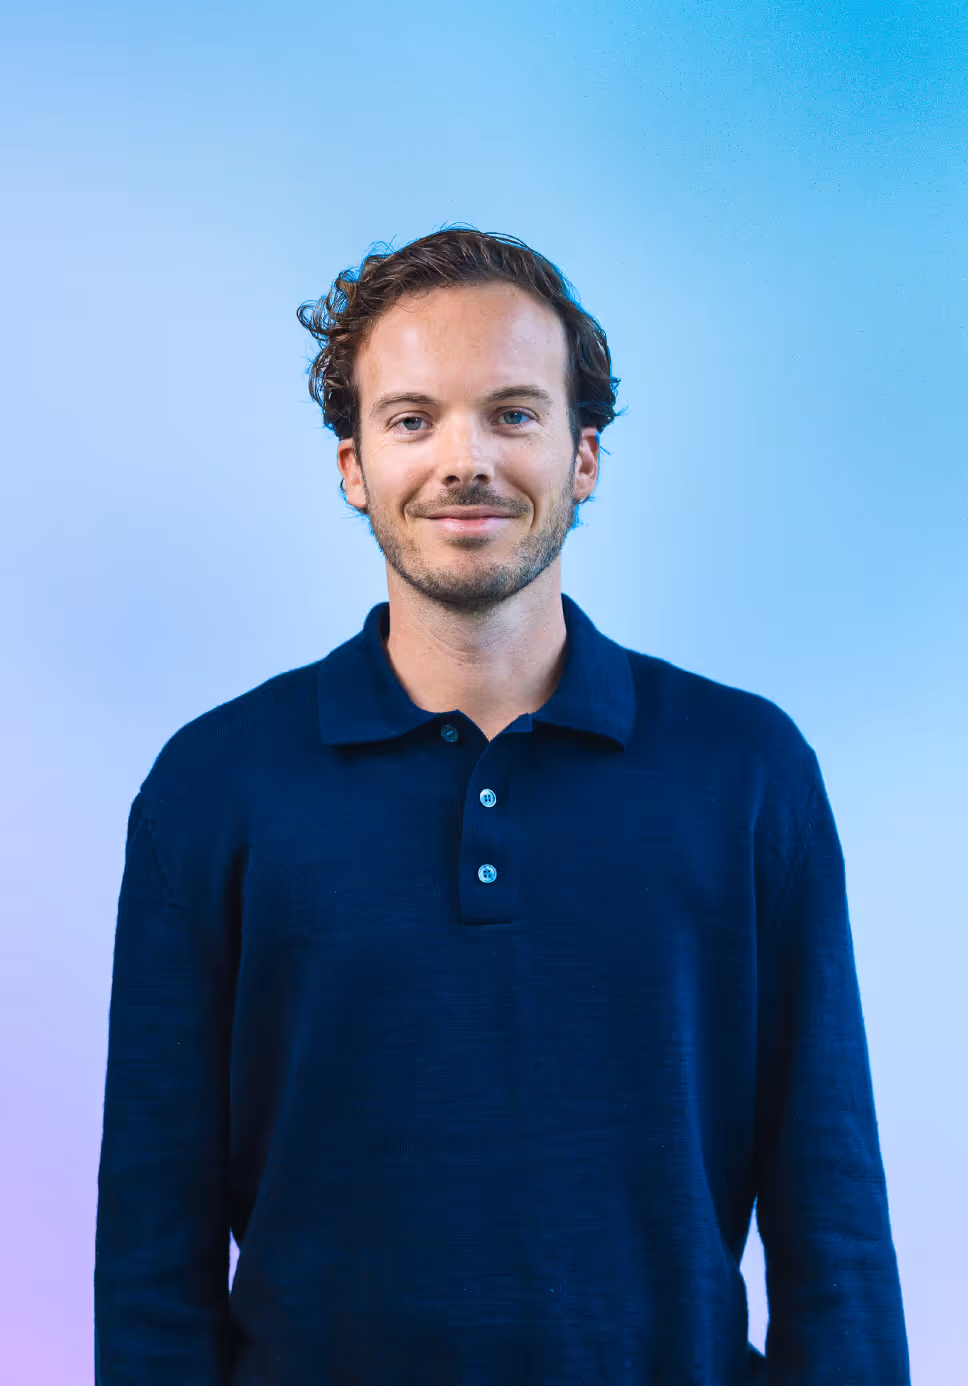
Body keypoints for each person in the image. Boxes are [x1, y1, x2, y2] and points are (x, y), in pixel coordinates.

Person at [94, 226, 910, 1384]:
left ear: (584, 457)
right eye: (412, 418)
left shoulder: (748, 775)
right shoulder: (212, 789)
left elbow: (832, 1224)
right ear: (351, 466)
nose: (462, 459)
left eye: (513, 414)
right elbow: (150, 1249)